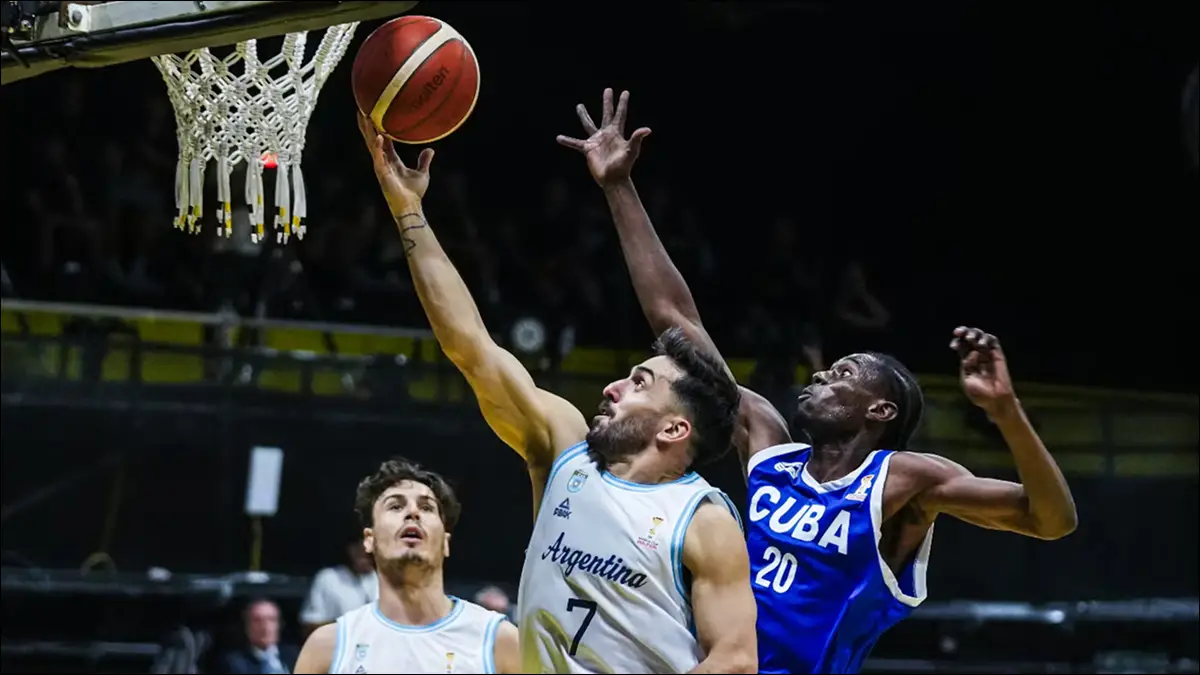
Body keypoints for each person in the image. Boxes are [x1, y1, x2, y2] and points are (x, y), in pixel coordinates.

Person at [558, 88, 1080, 674]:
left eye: (846, 373)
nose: (824, 374)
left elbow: (1051, 521)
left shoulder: (904, 482)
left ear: (880, 412)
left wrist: (1006, 412)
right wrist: (618, 187)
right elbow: (677, 322)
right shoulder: (770, 451)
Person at [355, 111, 757, 674]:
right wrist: (408, 210)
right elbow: (469, 345)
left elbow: (736, 661)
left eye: (640, 383)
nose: (614, 386)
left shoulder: (703, 519)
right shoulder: (565, 449)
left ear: (674, 428)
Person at [294, 458, 520, 674]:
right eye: (395, 506)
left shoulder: (500, 641)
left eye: (427, 507)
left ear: (445, 542)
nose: (413, 513)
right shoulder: (327, 649)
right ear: (369, 540)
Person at [299, 532, 379, 636]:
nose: (369, 557)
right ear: (351, 549)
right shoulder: (328, 578)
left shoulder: (381, 579)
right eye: (365, 553)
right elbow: (309, 626)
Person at [216, 598, 299, 674]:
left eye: (271, 620)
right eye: (257, 620)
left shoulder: (295, 656)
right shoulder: (234, 663)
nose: (265, 627)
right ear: (247, 626)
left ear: (279, 624)